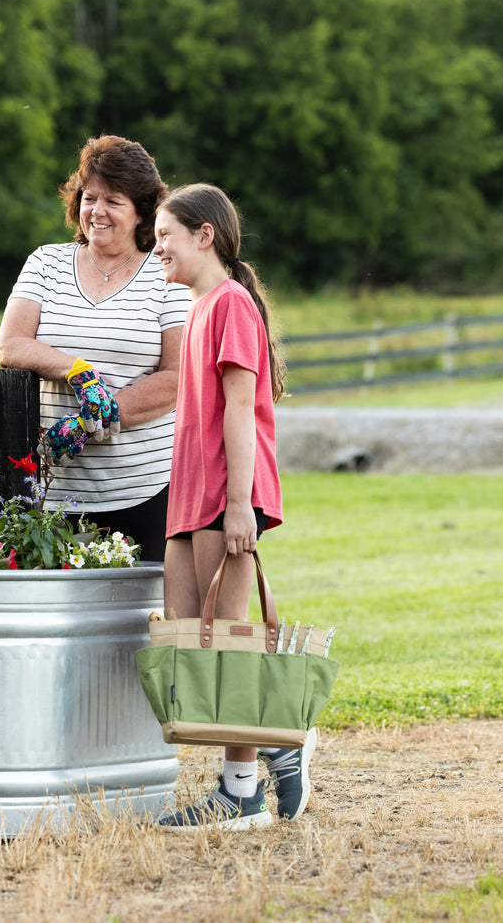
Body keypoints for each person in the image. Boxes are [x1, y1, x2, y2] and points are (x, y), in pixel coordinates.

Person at [151, 183, 308, 831]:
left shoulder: (231, 305)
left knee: (229, 638)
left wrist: (240, 506)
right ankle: (268, 741)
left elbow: (241, 410)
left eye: (165, 234)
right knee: (193, 642)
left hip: (225, 496)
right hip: (188, 498)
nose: (156, 246)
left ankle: (242, 790)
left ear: (203, 235)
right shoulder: (196, 311)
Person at [0, 135, 189, 561]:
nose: (96, 212)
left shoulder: (166, 276)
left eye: (113, 201)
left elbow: (177, 377)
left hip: (146, 488)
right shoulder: (45, 262)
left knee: (147, 620)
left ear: (142, 211)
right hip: (56, 494)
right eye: (89, 197)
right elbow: (10, 344)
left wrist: (95, 418)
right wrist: (78, 371)